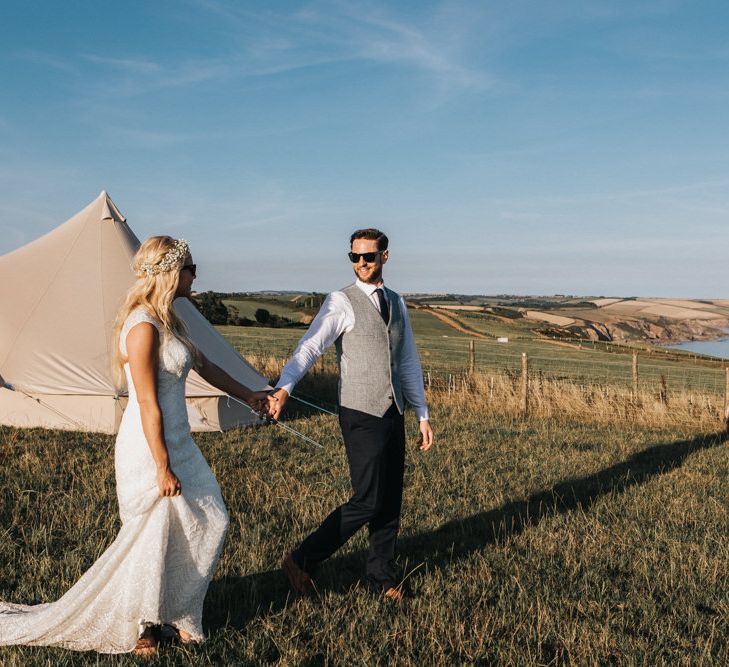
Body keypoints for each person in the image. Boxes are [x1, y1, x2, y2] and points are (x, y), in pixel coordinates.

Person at [0, 236, 270, 655]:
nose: (196, 275)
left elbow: (207, 366)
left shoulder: (172, 321)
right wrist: (162, 466)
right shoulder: (142, 327)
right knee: (152, 534)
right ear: (169, 273)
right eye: (190, 268)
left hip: (179, 439)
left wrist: (249, 393)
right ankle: (143, 628)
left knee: (209, 519)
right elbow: (146, 402)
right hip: (149, 443)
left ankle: (181, 610)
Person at [268, 228, 434, 600]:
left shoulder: (398, 301)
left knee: (390, 500)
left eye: (368, 257)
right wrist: (285, 386)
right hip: (360, 411)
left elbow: (407, 360)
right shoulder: (340, 302)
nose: (361, 263)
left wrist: (421, 412)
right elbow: (311, 346)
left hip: (394, 412)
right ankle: (302, 558)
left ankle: (382, 580)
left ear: (385, 257)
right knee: (369, 499)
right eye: (354, 257)